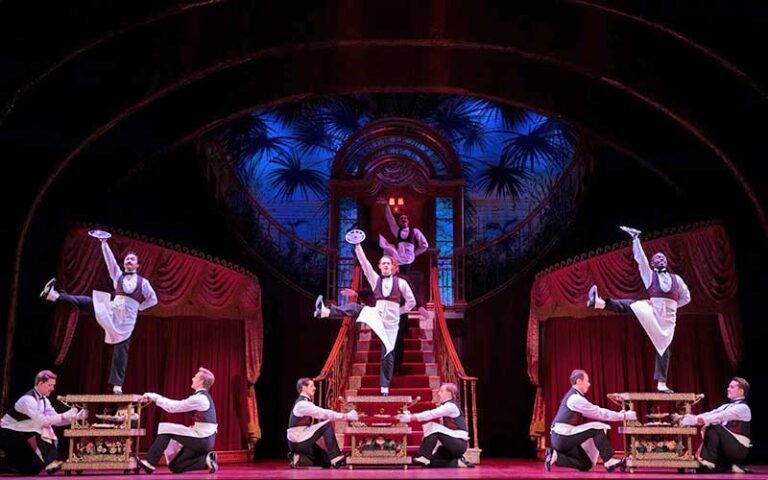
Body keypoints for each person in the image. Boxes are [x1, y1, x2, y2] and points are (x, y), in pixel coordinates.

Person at [41, 236, 158, 394]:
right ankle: (54, 296)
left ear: (137, 265)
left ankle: (117, 386)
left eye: (132, 259)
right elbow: (110, 262)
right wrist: (103, 243)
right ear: (124, 263)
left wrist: (140, 307)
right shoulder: (118, 276)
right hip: (113, 310)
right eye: (127, 259)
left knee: (121, 350)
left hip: (127, 321)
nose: (129, 261)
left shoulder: (143, 283)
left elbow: (153, 299)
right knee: (88, 302)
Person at [587, 226, 691, 393]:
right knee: (632, 305)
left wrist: (671, 307)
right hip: (653, 312)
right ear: (652, 263)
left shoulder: (676, 279)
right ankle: (598, 302)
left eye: (663, 258)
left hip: (668, 320)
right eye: (657, 258)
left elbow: (687, 298)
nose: (660, 259)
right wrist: (636, 239)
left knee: (664, 348)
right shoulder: (649, 276)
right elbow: (640, 259)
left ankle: (662, 384)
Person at [546, 369, 636, 472]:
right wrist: (624, 416)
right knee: (597, 428)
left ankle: (556, 456)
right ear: (579, 381)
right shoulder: (575, 399)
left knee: (587, 465)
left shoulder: (574, 397)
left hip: (560, 438)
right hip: (562, 437)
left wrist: (620, 415)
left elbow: (595, 412)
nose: (589, 384)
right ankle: (608, 461)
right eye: (587, 381)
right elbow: (598, 412)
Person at [0, 370, 86, 475]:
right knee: (42, 427)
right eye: (50, 385)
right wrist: (64, 415)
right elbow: (42, 421)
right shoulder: (28, 400)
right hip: (8, 433)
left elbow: (55, 420)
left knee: (32, 470)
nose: (53, 388)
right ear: (40, 384)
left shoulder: (44, 400)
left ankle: (47, 463)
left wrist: (75, 418)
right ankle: (50, 463)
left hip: (23, 432)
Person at [139, 368, 219, 474]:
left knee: (166, 428)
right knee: (175, 466)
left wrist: (154, 397)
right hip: (204, 439)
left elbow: (173, 407)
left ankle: (150, 463)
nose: (192, 378)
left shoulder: (200, 399)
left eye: (195, 377)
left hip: (202, 439)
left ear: (201, 382)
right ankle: (206, 460)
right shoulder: (201, 397)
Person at [676, 377, 751, 474]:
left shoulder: (743, 408)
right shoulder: (726, 406)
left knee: (713, 425)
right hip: (726, 448)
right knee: (711, 423)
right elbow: (710, 413)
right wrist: (688, 417)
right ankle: (726, 466)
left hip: (738, 449)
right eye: (728, 386)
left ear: (741, 391)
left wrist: (694, 420)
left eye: (732, 387)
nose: (728, 389)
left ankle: (707, 463)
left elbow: (719, 416)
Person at [396, 383, 473, 468]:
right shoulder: (447, 406)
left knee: (432, 426)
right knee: (432, 463)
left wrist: (410, 417)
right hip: (449, 444)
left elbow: (431, 414)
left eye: (441, 391)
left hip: (459, 444)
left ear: (449, 393)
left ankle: (424, 457)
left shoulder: (450, 406)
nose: (439, 393)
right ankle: (458, 462)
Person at [287, 377, 358, 468]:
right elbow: (323, 413)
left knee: (326, 462)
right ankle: (335, 457)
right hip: (298, 441)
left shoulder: (304, 402)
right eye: (311, 386)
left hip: (301, 439)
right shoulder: (302, 404)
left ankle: (299, 458)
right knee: (327, 424)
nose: (314, 388)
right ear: (304, 388)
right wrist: (345, 416)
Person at [379, 204, 429, 276]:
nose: (403, 220)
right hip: (398, 258)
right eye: (401, 219)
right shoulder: (397, 231)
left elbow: (425, 245)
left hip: (408, 259)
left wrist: (414, 253)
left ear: (408, 221)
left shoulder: (414, 231)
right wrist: (386, 206)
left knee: (405, 278)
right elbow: (390, 220)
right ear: (399, 222)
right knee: (396, 278)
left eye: (405, 218)